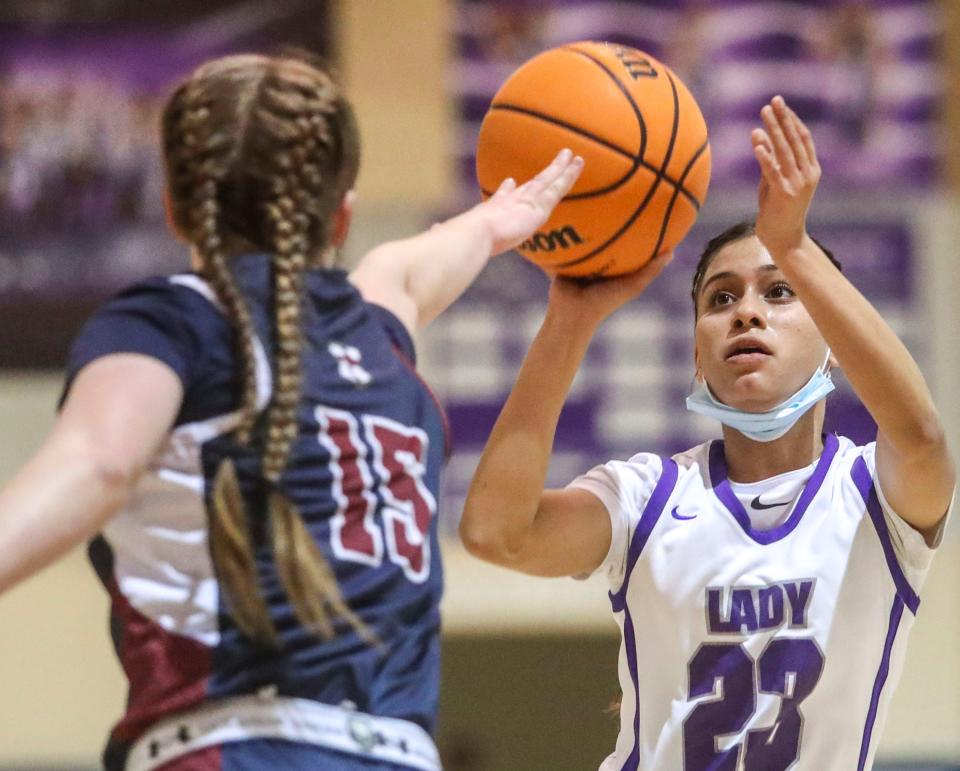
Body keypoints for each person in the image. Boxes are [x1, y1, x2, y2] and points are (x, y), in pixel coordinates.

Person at [0, 52, 583, 771]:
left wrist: (493, 223)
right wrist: (498, 221)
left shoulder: (176, 321)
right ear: (342, 213)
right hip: (395, 754)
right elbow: (408, 268)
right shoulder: (376, 340)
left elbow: (99, 461)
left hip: (230, 746)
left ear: (175, 207)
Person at [460, 95, 954, 770]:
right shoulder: (646, 495)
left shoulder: (874, 495)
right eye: (721, 298)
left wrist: (795, 245)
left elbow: (923, 436)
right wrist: (569, 318)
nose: (746, 311)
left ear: (835, 341)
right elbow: (495, 532)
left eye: (778, 292)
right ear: (696, 351)